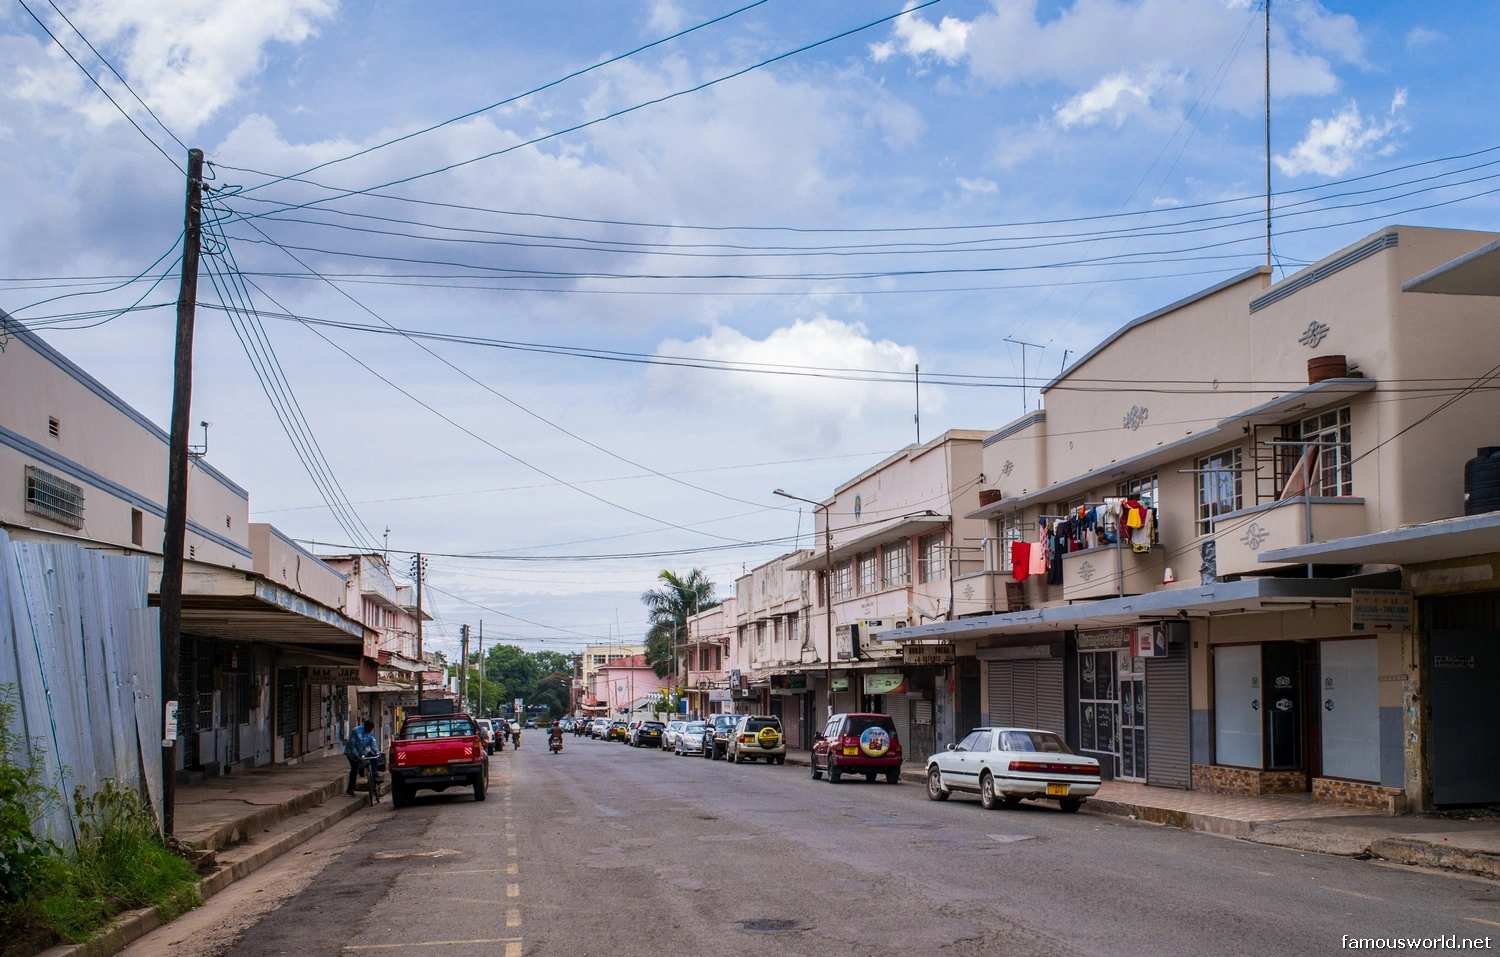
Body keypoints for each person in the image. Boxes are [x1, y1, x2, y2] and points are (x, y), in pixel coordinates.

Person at [344, 719, 379, 795]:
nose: (370, 730)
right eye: (369, 728)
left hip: (363, 751)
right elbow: (352, 744)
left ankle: (375, 775)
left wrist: (377, 752)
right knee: (354, 769)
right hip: (351, 753)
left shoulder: (370, 733)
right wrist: (356, 755)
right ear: (365, 726)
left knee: (373, 757)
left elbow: (373, 743)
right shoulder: (356, 731)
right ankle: (350, 789)